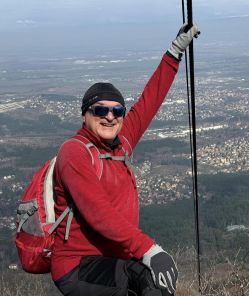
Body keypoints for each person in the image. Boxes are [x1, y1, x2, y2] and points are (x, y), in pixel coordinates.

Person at [51, 23, 199, 296]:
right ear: (85, 114)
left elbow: (148, 102)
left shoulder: (121, 143)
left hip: (113, 257)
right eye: (100, 110)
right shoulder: (75, 152)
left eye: (117, 110)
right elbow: (98, 213)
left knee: (155, 279)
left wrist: (174, 53)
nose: (110, 116)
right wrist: (149, 250)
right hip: (78, 264)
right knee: (140, 281)